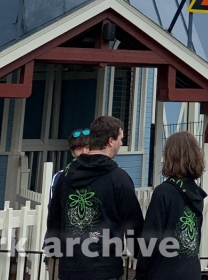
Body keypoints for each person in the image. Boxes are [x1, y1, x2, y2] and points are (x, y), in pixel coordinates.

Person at [45, 115, 144, 280]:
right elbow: (133, 223)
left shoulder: (66, 177)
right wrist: (140, 254)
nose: (121, 143)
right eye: (121, 138)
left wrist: (54, 249)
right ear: (111, 141)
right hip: (105, 269)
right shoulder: (119, 178)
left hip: (70, 267)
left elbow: (54, 216)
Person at [135, 131, 207, 280]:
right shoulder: (197, 194)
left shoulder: (164, 192)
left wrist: (141, 272)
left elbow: (151, 239)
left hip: (164, 271)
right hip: (191, 270)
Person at [49, 129, 91, 200]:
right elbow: (53, 207)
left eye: (88, 147)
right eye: (79, 148)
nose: (84, 152)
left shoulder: (103, 175)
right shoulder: (60, 176)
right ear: (72, 153)